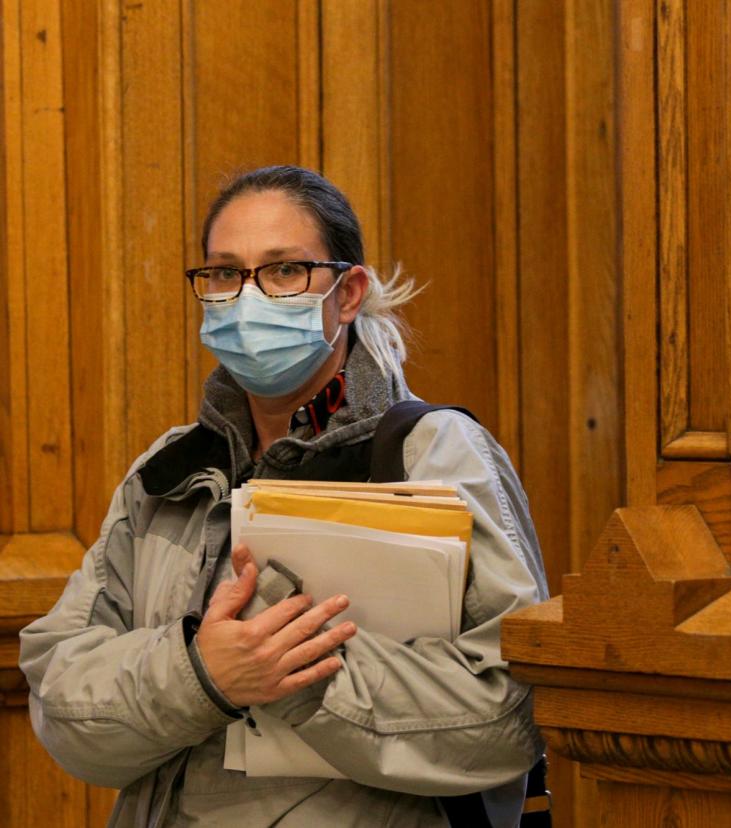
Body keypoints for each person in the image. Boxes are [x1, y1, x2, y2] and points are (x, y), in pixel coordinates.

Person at [19, 165, 549, 826]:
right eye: (224, 273)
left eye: (283, 271)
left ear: (347, 292)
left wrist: (293, 674)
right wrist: (200, 675)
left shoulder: (434, 455)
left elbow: (510, 717)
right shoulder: (167, 472)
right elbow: (64, 704)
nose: (248, 298)